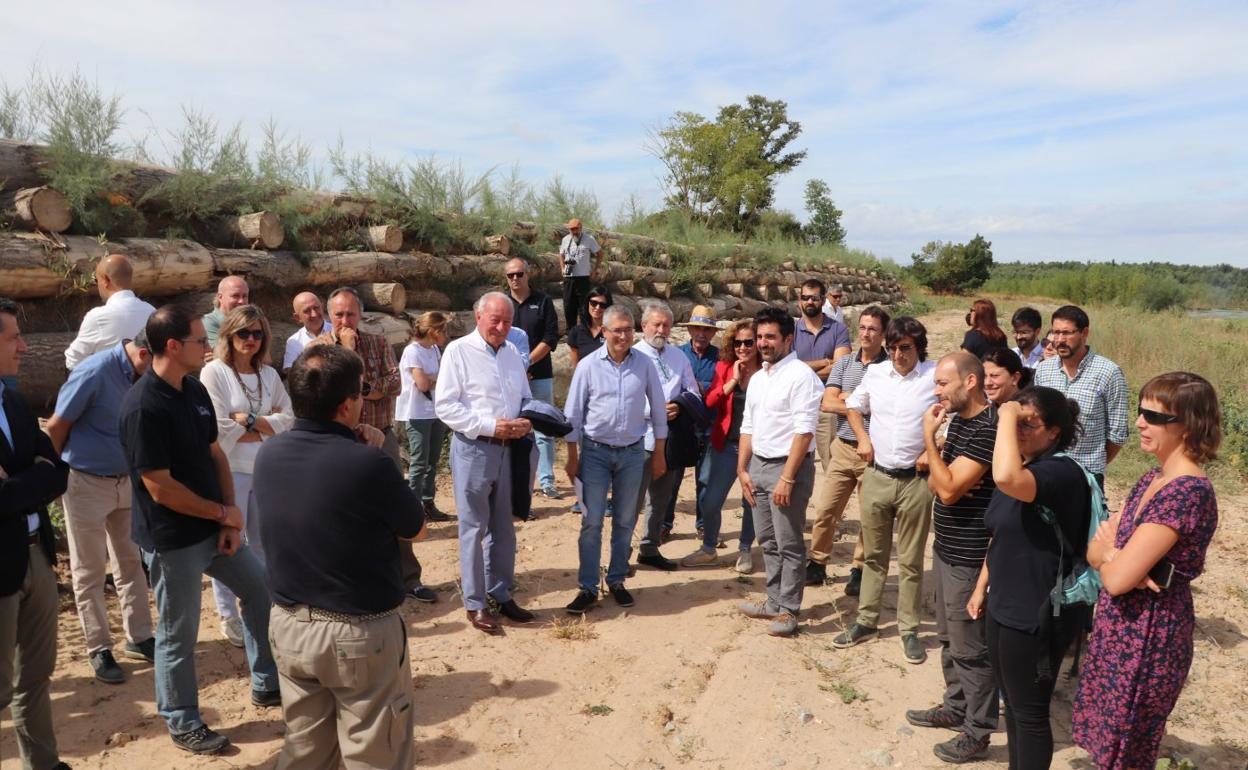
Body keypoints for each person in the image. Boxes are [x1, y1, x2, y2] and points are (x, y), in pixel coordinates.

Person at [255, 343, 426, 770]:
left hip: (290, 625)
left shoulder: (269, 453)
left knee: (306, 750)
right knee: (375, 752)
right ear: (350, 404)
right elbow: (415, 526)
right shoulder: (368, 464)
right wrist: (372, 451)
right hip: (358, 633)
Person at [118, 304, 278, 755]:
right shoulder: (143, 406)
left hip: (212, 527)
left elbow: (216, 454)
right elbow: (160, 488)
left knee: (261, 588)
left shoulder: (192, 389)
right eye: (197, 340)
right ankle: (182, 719)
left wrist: (228, 512)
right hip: (172, 541)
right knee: (178, 633)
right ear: (172, 346)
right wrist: (220, 514)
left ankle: (266, 681)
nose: (207, 346)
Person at [1073, 373, 1222, 770]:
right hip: (1122, 628)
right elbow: (1094, 551)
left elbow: (1117, 579)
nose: (1139, 422)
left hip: (1148, 637)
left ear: (1188, 425)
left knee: (1127, 751)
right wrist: (1115, 556)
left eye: (1154, 416)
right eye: (1141, 412)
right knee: (1109, 745)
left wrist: (1114, 558)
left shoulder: (1186, 492)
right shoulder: (1154, 478)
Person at [973, 386, 1092, 770]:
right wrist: (981, 586)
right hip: (1005, 601)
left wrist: (1006, 415)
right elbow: (1001, 533)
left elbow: (1005, 476)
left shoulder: (1059, 472)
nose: (1019, 429)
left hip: (1039, 612)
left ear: (1054, 432)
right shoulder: (1024, 468)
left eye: (1029, 423)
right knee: (1012, 702)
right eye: (1016, 422)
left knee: (1030, 712)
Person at [904, 352, 999, 764]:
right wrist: (938, 462)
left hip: (970, 556)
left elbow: (946, 489)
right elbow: (936, 474)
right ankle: (955, 706)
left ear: (971, 381)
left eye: (943, 383)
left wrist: (929, 440)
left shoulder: (987, 429)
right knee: (948, 637)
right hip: (947, 548)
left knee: (970, 648)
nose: (936, 390)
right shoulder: (960, 421)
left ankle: (978, 732)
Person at [44, 334, 155, 684]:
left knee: (131, 562)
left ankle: (139, 636)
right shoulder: (93, 371)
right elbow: (57, 425)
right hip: (86, 483)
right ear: (141, 353)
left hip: (126, 482)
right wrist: (56, 476)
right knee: (89, 569)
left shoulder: (143, 374)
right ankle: (98, 647)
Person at [312, 288, 436, 602]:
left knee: (394, 505)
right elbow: (325, 390)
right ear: (329, 316)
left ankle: (409, 577)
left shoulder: (378, 343)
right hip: (335, 441)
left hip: (381, 436)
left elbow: (394, 383)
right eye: (338, 314)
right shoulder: (318, 350)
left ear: (360, 314)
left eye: (350, 314)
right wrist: (350, 354)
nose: (344, 320)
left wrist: (363, 387)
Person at [833, 317, 937, 664]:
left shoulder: (933, 377)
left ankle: (908, 629)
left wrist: (932, 448)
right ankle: (866, 620)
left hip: (915, 481)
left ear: (918, 347)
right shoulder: (876, 374)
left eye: (904, 347)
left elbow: (955, 413)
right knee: (874, 555)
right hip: (877, 476)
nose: (897, 354)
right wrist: (862, 438)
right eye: (892, 348)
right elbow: (851, 406)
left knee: (909, 560)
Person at [434, 292, 537, 634]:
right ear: (478, 316)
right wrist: (492, 425)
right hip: (474, 448)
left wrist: (525, 419)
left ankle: (501, 593)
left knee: (504, 527)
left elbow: (524, 397)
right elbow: (445, 407)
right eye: (495, 320)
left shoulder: (511, 354)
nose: (501, 327)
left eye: (507, 321)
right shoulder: (458, 351)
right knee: (473, 528)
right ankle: (475, 604)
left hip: (510, 450)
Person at [1, 297, 73, 770]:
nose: (24, 347)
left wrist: (17, 485)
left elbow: (58, 471)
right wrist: (36, 478)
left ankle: (43, 765)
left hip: (35, 555)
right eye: (12, 338)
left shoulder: (11, 397)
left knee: (37, 676)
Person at [562, 305, 667, 612]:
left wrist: (658, 453)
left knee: (624, 520)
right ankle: (588, 587)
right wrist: (572, 457)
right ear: (604, 332)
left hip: (633, 453)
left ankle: (617, 579)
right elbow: (573, 414)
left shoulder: (645, 364)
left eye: (627, 330)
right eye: (617, 330)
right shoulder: (588, 366)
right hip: (594, 452)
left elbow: (659, 412)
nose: (623, 336)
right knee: (592, 521)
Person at [200, 305, 294, 648]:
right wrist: (266, 424)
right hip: (231, 472)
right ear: (229, 334)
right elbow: (218, 424)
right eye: (244, 333)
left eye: (257, 334)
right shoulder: (214, 373)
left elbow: (290, 418)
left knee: (264, 541)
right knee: (230, 543)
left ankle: (264, 604)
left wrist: (251, 423)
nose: (251, 340)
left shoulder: (268, 375)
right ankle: (229, 615)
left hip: (266, 469)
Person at [735, 308, 823, 637]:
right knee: (767, 541)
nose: (763, 343)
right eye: (759, 337)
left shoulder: (801, 377)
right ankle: (773, 599)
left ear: (788, 339)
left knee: (788, 543)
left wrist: (787, 477)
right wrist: (742, 468)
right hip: (758, 465)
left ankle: (789, 608)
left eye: (770, 337)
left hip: (789, 468)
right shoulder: (759, 378)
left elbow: (804, 433)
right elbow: (748, 426)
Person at [806, 305, 890, 593]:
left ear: (883, 334)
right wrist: (858, 402)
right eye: (863, 328)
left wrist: (847, 397)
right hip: (842, 447)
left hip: (873, 451)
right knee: (826, 509)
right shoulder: (844, 364)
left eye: (873, 329)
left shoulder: (889, 369)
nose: (866, 334)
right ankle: (817, 561)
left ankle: (860, 569)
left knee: (869, 515)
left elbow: (887, 408)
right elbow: (827, 403)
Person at [680, 319, 760, 571]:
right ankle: (708, 547)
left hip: (756, 449)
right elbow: (711, 400)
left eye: (749, 342)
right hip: (726, 445)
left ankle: (745, 550)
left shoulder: (769, 370)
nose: (743, 348)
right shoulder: (725, 366)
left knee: (751, 502)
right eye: (738, 343)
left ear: (758, 342)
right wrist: (733, 381)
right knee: (711, 501)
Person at [631, 301, 699, 572]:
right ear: (643, 326)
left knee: (661, 498)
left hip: (668, 440)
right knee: (631, 501)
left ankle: (649, 548)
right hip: (637, 439)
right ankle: (620, 553)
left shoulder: (678, 357)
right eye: (656, 324)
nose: (661, 329)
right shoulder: (632, 355)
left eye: (666, 325)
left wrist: (679, 405)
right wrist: (655, 410)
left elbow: (693, 391)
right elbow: (625, 397)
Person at [1032, 305, 1129, 488]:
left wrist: (1095, 465)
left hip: (1087, 476)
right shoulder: (1044, 370)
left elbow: (1117, 433)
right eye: (1055, 332)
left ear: (1084, 333)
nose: (1059, 340)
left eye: (1067, 333)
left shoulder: (1108, 373)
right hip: (1046, 471)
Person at [504, 257, 561, 499]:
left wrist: (525, 363)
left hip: (539, 375)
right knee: (513, 428)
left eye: (519, 274)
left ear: (528, 275)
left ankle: (547, 481)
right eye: (510, 275)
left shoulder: (543, 301)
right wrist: (516, 369)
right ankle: (516, 481)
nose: (515, 278)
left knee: (543, 428)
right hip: (507, 378)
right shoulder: (501, 303)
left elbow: (550, 338)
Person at [664, 304, 720, 543]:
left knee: (705, 480)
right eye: (697, 328)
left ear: (713, 333)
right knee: (671, 480)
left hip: (708, 426)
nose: (701, 334)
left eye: (706, 330)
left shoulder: (721, 357)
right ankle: (664, 525)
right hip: (680, 428)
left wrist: (701, 388)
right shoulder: (676, 355)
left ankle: (704, 526)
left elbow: (722, 389)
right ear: (689, 330)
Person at [397, 311, 452, 522]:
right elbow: (422, 384)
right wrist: (436, 377)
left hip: (435, 411)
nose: (446, 334)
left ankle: (428, 503)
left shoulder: (434, 350)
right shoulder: (412, 351)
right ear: (432, 331)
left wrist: (433, 378)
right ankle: (412, 507)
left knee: (432, 460)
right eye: (443, 330)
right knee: (419, 462)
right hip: (417, 413)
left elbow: (438, 378)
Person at [794, 279, 851, 477]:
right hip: (796, 405)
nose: (810, 302)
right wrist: (823, 362)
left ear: (823, 299)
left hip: (826, 405)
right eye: (806, 297)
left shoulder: (838, 330)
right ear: (798, 300)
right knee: (793, 463)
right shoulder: (790, 331)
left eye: (815, 298)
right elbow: (785, 369)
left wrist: (800, 369)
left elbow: (840, 368)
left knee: (832, 464)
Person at [64, 254, 156, 370]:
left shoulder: (98, 317)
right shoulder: (153, 312)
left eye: (96, 280)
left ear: (106, 280)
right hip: (146, 385)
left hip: (109, 385)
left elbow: (73, 361)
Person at [558, 218, 603, 329]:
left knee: (584, 305)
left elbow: (600, 253)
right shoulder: (565, 239)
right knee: (568, 305)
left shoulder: (589, 239)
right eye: (571, 229)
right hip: (569, 278)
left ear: (581, 228)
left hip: (583, 278)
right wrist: (562, 268)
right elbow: (561, 254)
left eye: (576, 228)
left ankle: (585, 329)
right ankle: (571, 332)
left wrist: (595, 269)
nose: (574, 231)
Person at [281, 291, 331, 373]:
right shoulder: (294, 341)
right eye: (307, 311)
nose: (314, 314)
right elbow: (289, 372)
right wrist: (307, 353)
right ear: (297, 317)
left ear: (322, 307)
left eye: (316, 308)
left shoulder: (337, 331)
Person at [202, 275, 250, 355]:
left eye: (245, 296)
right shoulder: (208, 321)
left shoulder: (251, 323)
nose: (241, 301)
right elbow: (222, 355)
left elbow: (266, 358)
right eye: (235, 296)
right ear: (220, 297)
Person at [566, 285, 612, 368]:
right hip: (585, 379)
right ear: (588, 303)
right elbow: (576, 367)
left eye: (602, 305)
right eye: (594, 303)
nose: (597, 308)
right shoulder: (576, 332)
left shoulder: (613, 331)